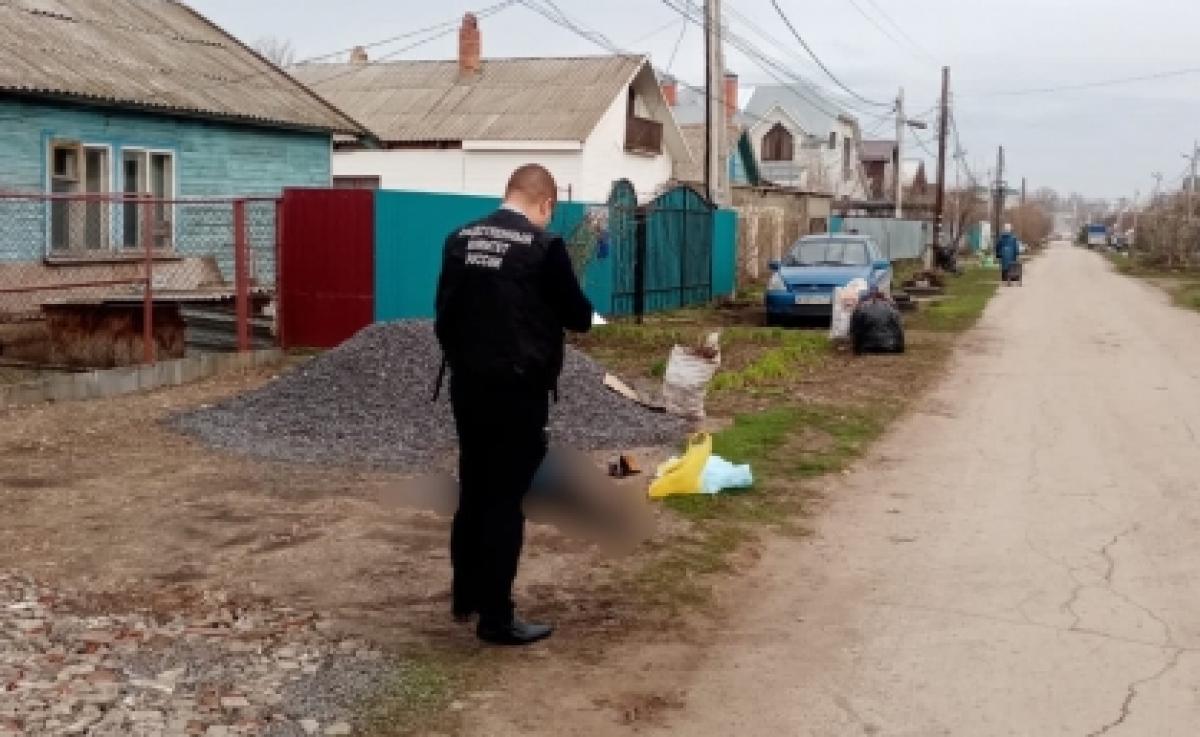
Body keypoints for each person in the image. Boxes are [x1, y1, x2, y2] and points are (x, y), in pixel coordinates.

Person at [434, 164, 593, 646]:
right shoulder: (544, 247)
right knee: (505, 501)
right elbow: (579, 317)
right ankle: (497, 618)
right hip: (518, 394)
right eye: (551, 211)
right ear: (545, 203)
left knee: (474, 490)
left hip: (468, 389)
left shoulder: (459, 239)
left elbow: (444, 315)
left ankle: (467, 598)